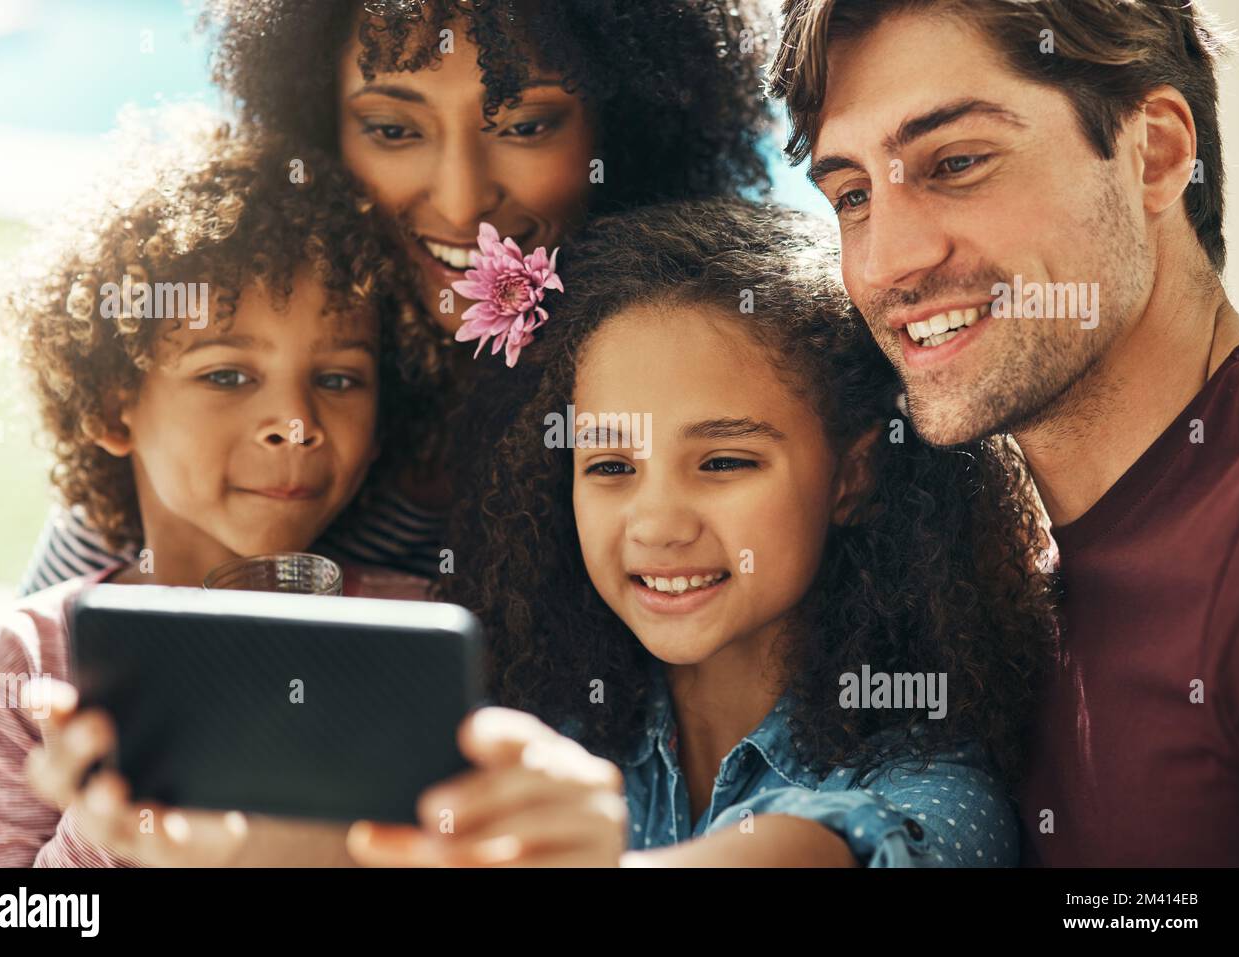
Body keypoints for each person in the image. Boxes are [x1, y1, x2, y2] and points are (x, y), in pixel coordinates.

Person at [348, 199, 1057, 867]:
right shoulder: (537, 733)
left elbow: (815, 849)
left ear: (854, 474)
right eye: (611, 464)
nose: (656, 523)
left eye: (722, 461)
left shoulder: (933, 775)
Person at [20, 0, 777, 591]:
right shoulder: (203, 368)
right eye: (391, 129)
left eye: (525, 124)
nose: (458, 200)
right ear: (316, 122)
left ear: (625, 128)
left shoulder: (701, 365)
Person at [770, 0, 1239, 865]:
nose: (885, 263)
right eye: (852, 195)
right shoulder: (997, 585)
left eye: (956, 161)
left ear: (1159, 153)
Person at [0, 117, 427, 867]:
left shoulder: (424, 633)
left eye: (338, 379)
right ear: (113, 406)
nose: (297, 424)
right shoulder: (17, 672)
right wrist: (112, 822)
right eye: (227, 376)